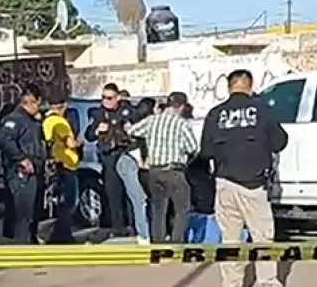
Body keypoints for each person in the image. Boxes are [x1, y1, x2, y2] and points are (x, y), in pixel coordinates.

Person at [201, 69, 288, 287]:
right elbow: (280, 142)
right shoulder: (262, 110)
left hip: (224, 184)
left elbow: (206, 151)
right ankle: (266, 282)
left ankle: (232, 283)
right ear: (250, 86)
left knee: (230, 240)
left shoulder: (215, 114)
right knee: (263, 238)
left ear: (229, 87)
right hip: (254, 186)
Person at [129, 91, 198, 243]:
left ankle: (158, 243)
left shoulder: (152, 120)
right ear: (182, 107)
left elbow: (132, 131)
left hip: (154, 171)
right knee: (182, 208)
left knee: (158, 209)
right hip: (173, 170)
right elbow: (193, 148)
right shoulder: (181, 124)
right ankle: (176, 242)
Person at [84, 82, 139, 236]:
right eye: (103, 97)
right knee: (113, 193)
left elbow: (139, 127)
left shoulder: (127, 111)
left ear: (117, 97)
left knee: (131, 192)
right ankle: (118, 227)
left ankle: (134, 226)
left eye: (109, 98)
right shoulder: (99, 114)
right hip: (108, 156)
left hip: (125, 154)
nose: (106, 101)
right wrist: (97, 130)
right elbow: (88, 135)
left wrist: (130, 130)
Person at [0, 84, 48, 244]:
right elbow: (5, 140)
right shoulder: (15, 119)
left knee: (34, 212)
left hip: (35, 171)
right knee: (23, 213)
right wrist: (21, 159)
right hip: (22, 174)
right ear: (33, 101)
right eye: (38, 104)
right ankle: (22, 245)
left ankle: (31, 242)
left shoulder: (32, 120)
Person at [42, 91, 80, 243]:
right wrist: (78, 143)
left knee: (58, 203)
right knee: (69, 203)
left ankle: (56, 234)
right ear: (63, 106)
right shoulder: (60, 122)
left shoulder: (46, 121)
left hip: (55, 165)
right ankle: (62, 235)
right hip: (66, 165)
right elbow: (70, 143)